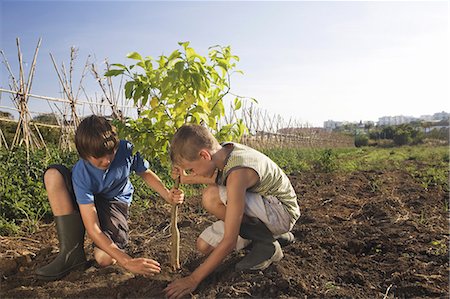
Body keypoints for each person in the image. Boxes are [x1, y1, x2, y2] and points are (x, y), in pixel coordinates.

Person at [35, 115, 184, 280]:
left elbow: (145, 173)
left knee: (105, 258)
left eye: (111, 153)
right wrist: (127, 261)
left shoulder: (126, 149)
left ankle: (100, 247)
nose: (106, 161)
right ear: (85, 155)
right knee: (53, 175)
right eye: (99, 159)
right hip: (88, 201)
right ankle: (71, 254)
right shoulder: (81, 173)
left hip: (114, 201)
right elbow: (93, 228)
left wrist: (167, 195)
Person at [164, 124, 299, 299]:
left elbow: (229, 241)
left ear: (204, 155)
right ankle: (270, 235)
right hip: (264, 210)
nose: (192, 173)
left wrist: (193, 279)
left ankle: (268, 245)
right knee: (204, 246)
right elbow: (213, 175)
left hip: (281, 212)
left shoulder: (238, 172)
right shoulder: (224, 152)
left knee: (211, 196)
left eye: (191, 168)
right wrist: (184, 178)